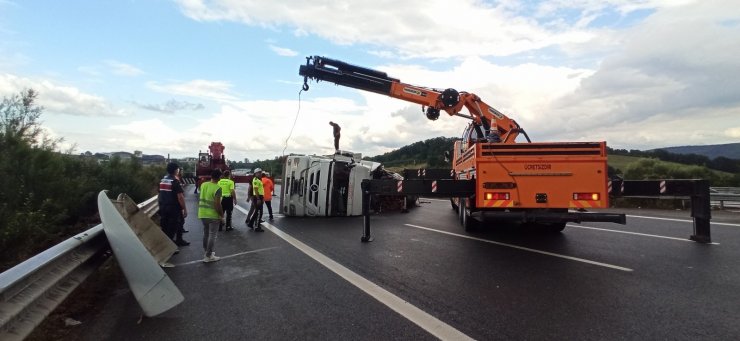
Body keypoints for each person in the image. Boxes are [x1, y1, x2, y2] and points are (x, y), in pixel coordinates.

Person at [158, 162, 189, 247]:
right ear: (175, 170)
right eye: (178, 169)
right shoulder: (175, 181)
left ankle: (178, 240)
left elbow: (160, 193)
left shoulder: (163, 180)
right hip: (173, 208)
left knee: (166, 225)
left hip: (163, 206)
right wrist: (184, 209)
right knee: (173, 227)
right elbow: (180, 197)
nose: (178, 171)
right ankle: (171, 246)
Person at [198, 169, 224, 263]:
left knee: (206, 233)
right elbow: (217, 204)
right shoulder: (217, 188)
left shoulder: (203, 184)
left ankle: (206, 252)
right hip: (212, 215)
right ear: (219, 177)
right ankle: (208, 256)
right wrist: (221, 215)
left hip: (202, 213)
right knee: (213, 235)